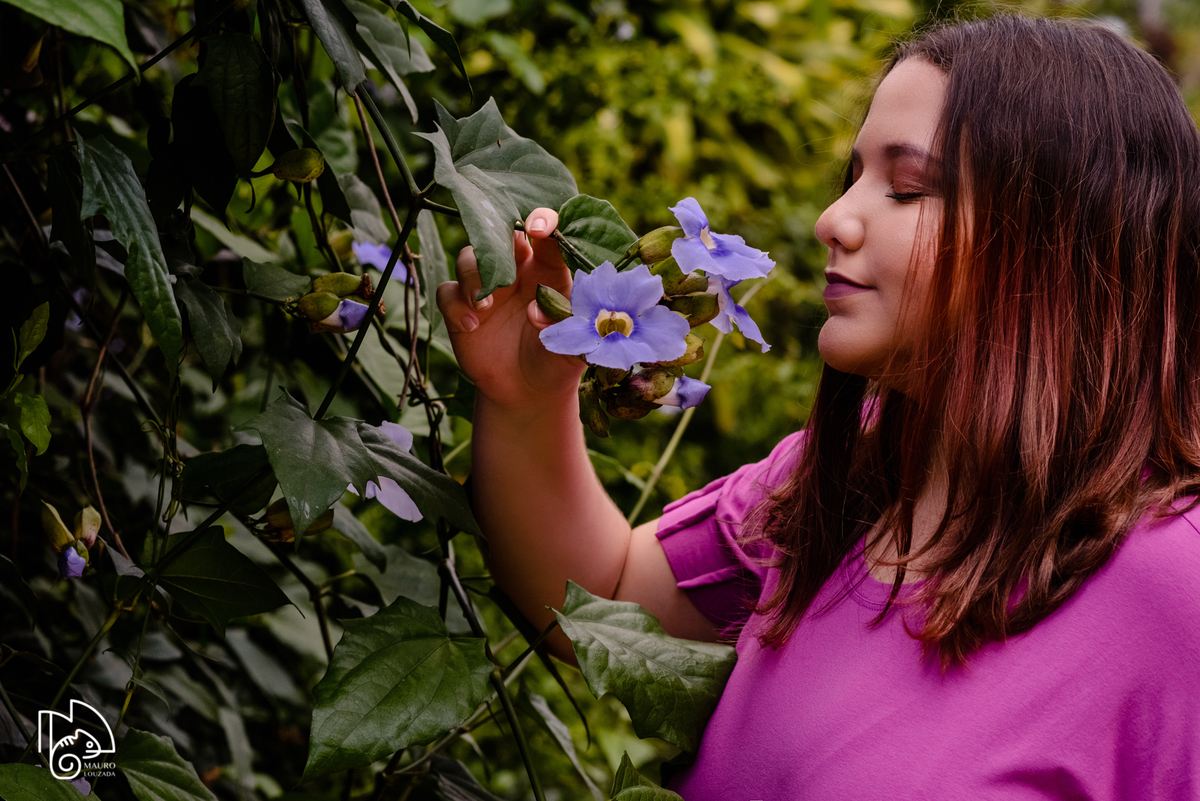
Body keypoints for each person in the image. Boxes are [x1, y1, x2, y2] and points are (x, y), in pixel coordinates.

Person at [437, 14, 1200, 799]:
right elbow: (604, 599)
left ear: (1059, 240)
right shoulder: (849, 474)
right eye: (852, 179)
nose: (831, 221)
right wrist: (527, 397)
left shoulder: (1176, 588)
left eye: (906, 187)